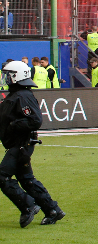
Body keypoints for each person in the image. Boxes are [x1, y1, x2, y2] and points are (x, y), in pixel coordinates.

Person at [0, 61, 65, 226]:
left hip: (21, 144)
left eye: (9, 75)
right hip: (19, 144)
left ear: (17, 76)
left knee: (2, 176)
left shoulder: (22, 95)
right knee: (26, 178)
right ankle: (52, 210)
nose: (6, 78)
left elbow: (35, 120)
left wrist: (13, 125)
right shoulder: (17, 95)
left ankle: (27, 205)